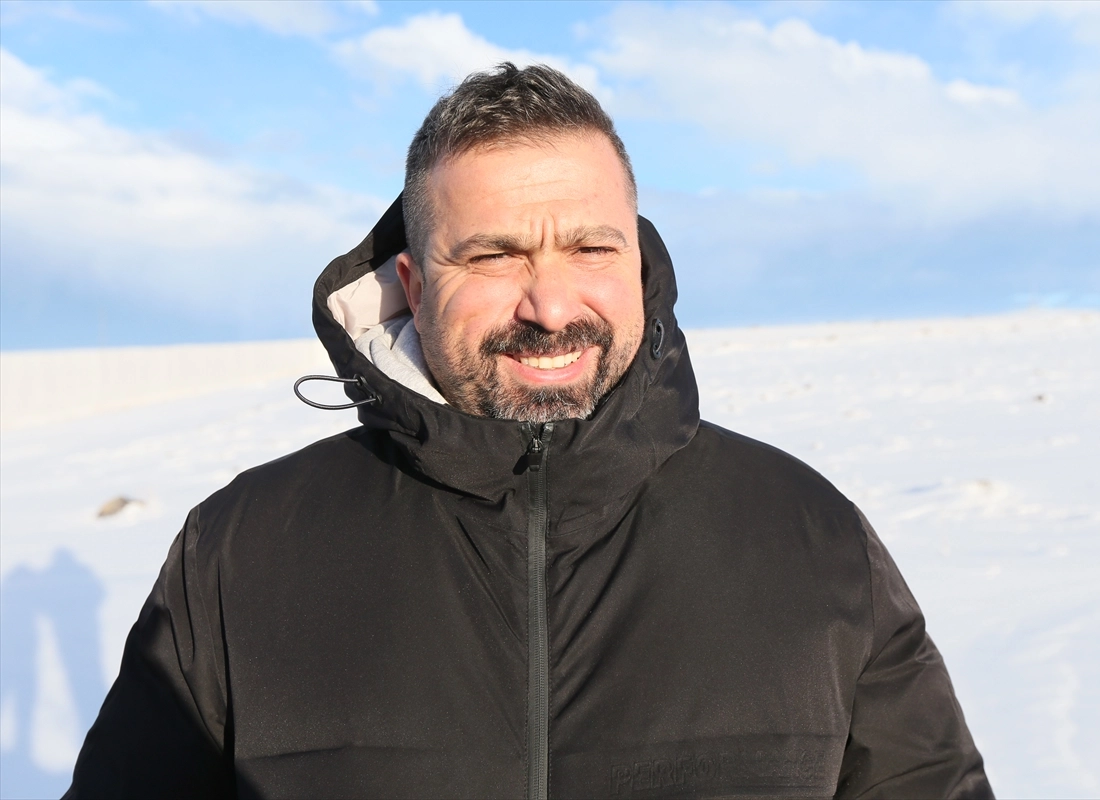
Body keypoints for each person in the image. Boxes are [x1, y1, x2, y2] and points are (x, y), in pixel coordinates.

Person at [67, 63, 992, 799]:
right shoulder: (244, 551)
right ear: (414, 286)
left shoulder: (808, 536)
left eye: (591, 248)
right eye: (494, 254)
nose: (551, 307)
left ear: (638, 261)